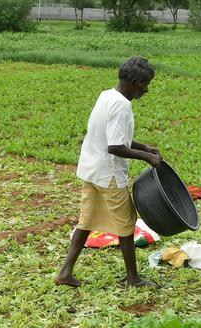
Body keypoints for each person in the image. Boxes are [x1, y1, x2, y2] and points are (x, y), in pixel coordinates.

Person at [55, 56, 161, 289]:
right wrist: (148, 158)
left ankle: (65, 272)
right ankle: (133, 278)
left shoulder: (107, 95)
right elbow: (115, 147)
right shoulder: (122, 106)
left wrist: (145, 147)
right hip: (109, 175)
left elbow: (115, 137)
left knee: (86, 220)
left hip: (91, 170)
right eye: (145, 84)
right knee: (126, 224)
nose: (146, 90)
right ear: (133, 82)